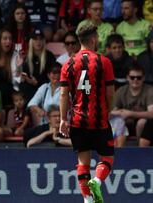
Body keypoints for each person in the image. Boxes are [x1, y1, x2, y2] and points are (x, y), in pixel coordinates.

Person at [59, 24, 115, 203]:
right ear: (93, 39)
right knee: (107, 157)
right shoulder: (104, 61)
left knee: (83, 161)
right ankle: (97, 181)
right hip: (99, 119)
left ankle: (88, 200)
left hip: (77, 120)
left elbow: (63, 94)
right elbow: (110, 92)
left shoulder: (68, 63)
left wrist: (62, 119)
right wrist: (107, 110)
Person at [110, 65, 153, 139]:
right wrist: (121, 112)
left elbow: (151, 114)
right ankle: (118, 149)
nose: (135, 80)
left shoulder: (150, 90)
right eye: (132, 77)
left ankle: (140, 149)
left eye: (139, 78)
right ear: (127, 78)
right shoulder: (121, 91)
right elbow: (112, 112)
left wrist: (129, 113)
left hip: (144, 123)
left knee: (141, 122)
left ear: (143, 78)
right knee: (117, 121)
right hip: (125, 123)